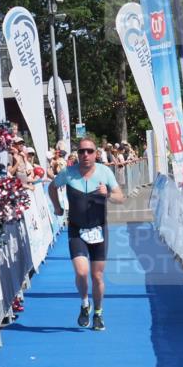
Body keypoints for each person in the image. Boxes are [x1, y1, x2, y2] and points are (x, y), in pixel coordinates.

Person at [48, 137, 125, 331]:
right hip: (76, 229)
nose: (85, 155)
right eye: (82, 151)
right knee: (81, 273)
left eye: (89, 151)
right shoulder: (69, 173)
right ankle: (84, 304)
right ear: (77, 154)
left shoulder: (105, 172)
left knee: (97, 276)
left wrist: (106, 193)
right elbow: (52, 186)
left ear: (95, 154)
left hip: (99, 229)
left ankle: (98, 313)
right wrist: (57, 207)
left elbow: (120, 198)